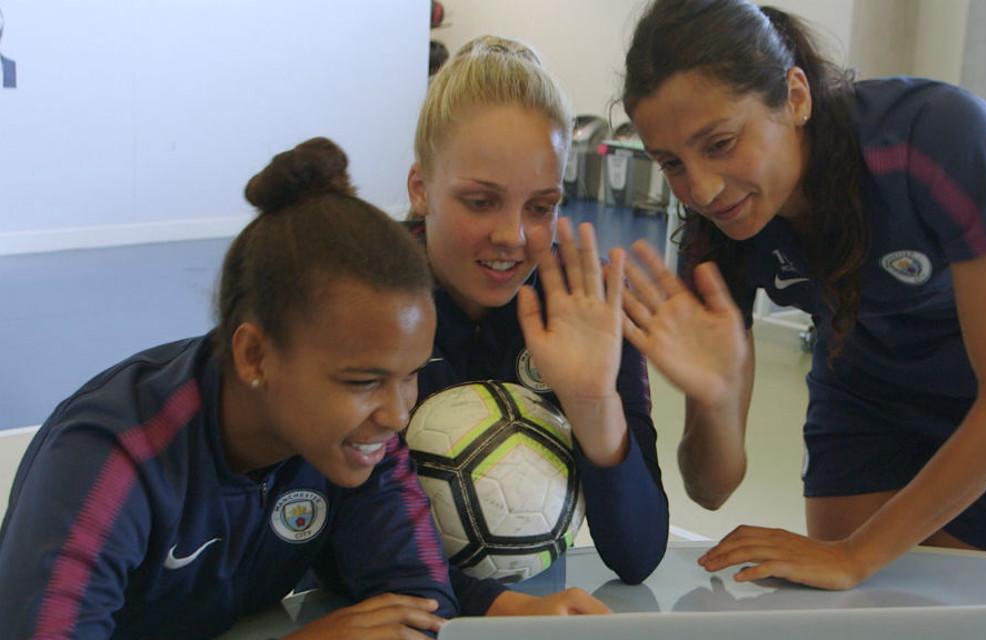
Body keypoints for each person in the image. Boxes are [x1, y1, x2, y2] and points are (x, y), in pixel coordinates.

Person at [0, 137, 606, 639]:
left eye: (411, 374)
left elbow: (417, 605)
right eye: (364, 381)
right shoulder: (111, 465)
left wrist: (495, 606)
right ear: (255, 356)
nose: (397, 414)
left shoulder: (354, 442)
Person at [616, 0, 986, 591]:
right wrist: (715, 401)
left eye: (719, 143)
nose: (703, 188)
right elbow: (711, 490)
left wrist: (853, 555)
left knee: (948, 597)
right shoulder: (716, 239)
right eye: (671, 163)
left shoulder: (934, 140)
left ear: (796, 97)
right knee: (855, 604)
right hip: (869, 359)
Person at [405, 35, 669, 612]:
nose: (513, 236)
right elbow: (341, 544)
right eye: (481, 202)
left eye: (541, 207)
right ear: (421, 189)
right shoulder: (371, 298)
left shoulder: (585, 303)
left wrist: (593, 404)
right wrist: (498, 608)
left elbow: (637, 554)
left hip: (540, 602)